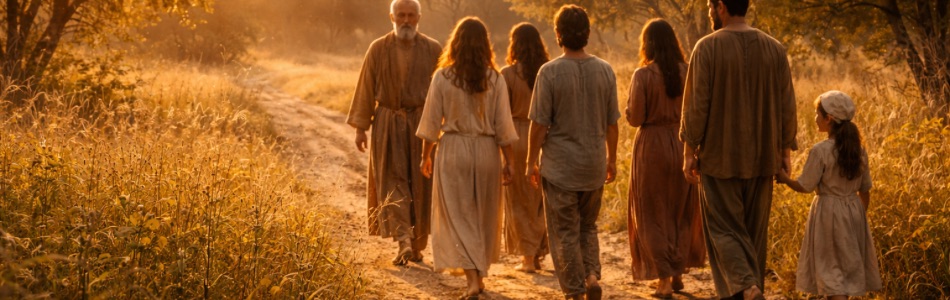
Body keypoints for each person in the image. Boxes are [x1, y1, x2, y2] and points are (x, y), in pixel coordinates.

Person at [679, 0, 797, 299]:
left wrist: (689, 151)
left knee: (723, 230)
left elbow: (696, 106)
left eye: (709, 5)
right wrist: (785, 151)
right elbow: (787, 105)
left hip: (720, 157)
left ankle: (746, 285)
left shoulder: (706, 48)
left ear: (721, 7)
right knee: (753, 235)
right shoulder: (775, 49)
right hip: (763, 156)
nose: (708, 11)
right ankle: (750, 287)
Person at [416, 17, 518, 300]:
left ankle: (473, 280)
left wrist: (426, 155)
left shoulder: (443, 77)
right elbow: (503, 126)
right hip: (487, 152)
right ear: (485, 44)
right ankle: (479, 275)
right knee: (483, 213)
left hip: (453, 150)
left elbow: (431, 123)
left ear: (455, 43)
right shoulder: (494, 78)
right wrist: (509, 162)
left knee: (459, 215)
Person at [526, 5, 620, 300]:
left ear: (558, 35)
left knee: (564, 230)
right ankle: (591, 275)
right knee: (588, 227)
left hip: (560, 168)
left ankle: (575, 292)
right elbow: (611, 123)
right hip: (593, 163)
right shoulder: (605, 70)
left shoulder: (549, 72)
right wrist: (612, 159)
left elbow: (539, 124)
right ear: (588, 34)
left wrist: (531, 161)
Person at [346, 0, 442, 266]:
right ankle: (403, 240)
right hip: (387, 123)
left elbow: (444, 91)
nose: (406, 20)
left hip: (423, 125)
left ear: (419, 17)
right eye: (401, 15)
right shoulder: (377, 48)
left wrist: (443, 128)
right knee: (392, 181)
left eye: (411, 15)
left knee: (421, 183)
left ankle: (418, 243)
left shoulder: (433, 49)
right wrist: (360, 129)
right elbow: (365, 88)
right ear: (391, 16)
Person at [625, 18, 705, 299]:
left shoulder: (643, 75)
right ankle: (678, 272)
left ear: (647, 44)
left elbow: (636, 118)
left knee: (652, 214)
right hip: (684, 144)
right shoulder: (688, 72)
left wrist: (627, 111)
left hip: (652, 149)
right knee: (680, 211)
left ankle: (663, 282)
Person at [776, 91, 882, 300]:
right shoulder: (859, 150)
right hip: (854, 211)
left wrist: (783, 178)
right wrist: (859, 215)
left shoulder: (821, 151)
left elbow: (805, 186)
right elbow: (865, 189)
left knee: (830, 268)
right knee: (846, 268)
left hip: (828, 213)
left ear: (829, 119)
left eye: (818, 114)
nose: (815, 118)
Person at [499, 22, 550, 274]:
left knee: (519, 200)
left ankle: (528, 258)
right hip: (545, 138)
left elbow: (501, 115)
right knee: (540, 199)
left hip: (516, 137)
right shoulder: (548, 71)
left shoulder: (507, 74)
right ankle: (538, 252)